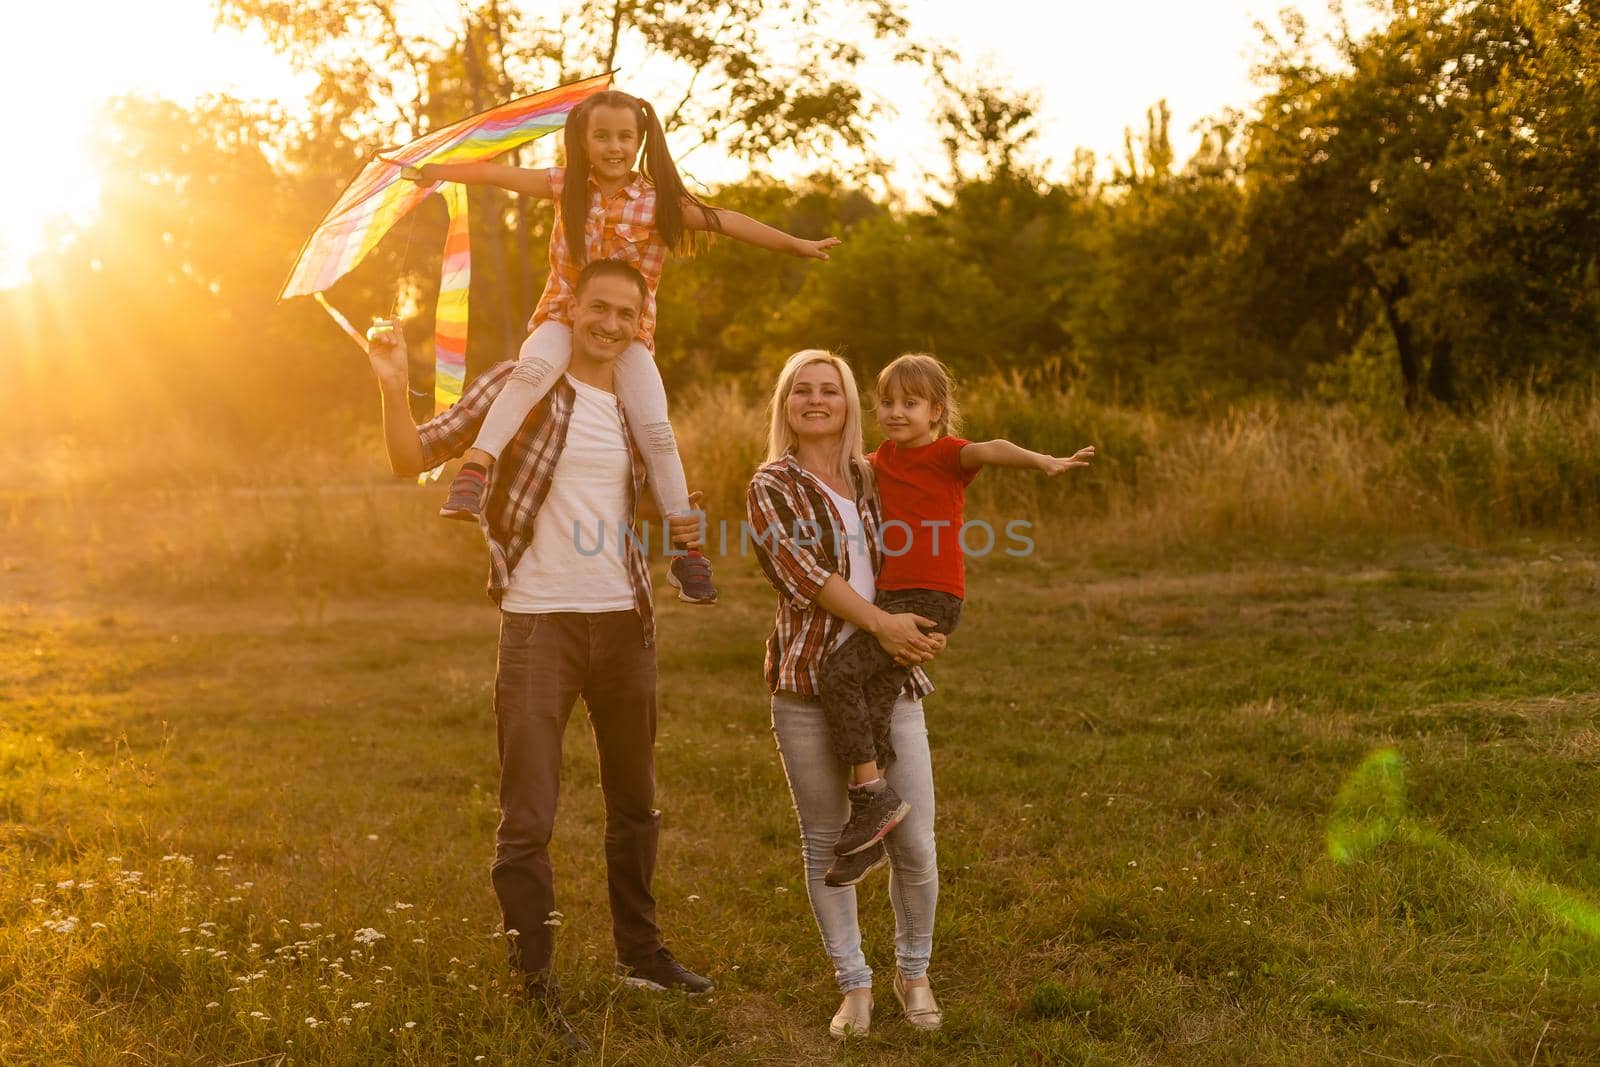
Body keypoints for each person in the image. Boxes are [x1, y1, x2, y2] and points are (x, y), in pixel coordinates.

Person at [362, 260, 711, 1054]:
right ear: (572, 307)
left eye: (628, 312)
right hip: (538, 625)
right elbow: (410, 455)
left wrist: (685, 524)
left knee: (635, 804)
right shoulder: (524, 380)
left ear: (639, 322)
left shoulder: (636, 401)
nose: (612, 324)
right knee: (527, 817)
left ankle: (642, 954)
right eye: (600, 308)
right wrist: (393, 383)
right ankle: (535, 981)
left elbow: (654, 492)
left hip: (624, 622)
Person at [401, 89, 839, 606]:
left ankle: (687, 553)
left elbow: (726, 220)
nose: (613, 146)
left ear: (640, 141)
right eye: (602, 135)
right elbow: (496, 175)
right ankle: (475, 470)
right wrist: (432, 169)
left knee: (655, 427)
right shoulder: (565, 186)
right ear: (583, 141)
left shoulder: (660, 203)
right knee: (529, 372)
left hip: (628, 333)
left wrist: (796, 244)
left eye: (624, 137)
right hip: (563, 317)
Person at [818, 353, 1094, 874]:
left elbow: (992, 448)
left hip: (929, 598)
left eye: (910, 403)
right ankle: (872, 825)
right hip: (891, 599)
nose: (896, 412)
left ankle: (870, 798)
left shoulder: (947, 454)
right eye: (888, 403)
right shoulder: (880, 460)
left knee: (840, 675)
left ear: (937, 412)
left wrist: (1042, 461)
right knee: (874, 700)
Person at [745, 349, 947, 1040]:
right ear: (785, 403)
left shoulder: (876, 474)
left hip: (888, 675)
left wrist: (927, 618)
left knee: (914, 839)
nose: (816, 399)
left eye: (830, 389)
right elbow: (804, 573)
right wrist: (885, 624)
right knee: (829, 841)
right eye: (802, 389)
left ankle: (913, 972)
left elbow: (931, 525)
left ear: (850, 401)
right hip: (808, 679)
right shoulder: (771, 483)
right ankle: (854, 983)